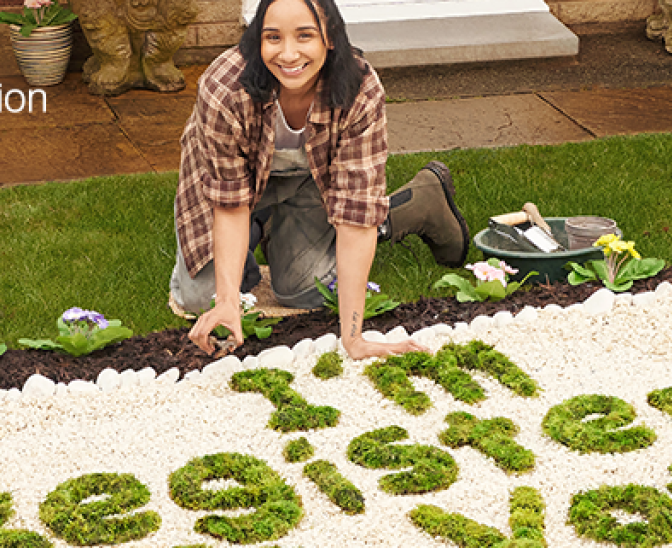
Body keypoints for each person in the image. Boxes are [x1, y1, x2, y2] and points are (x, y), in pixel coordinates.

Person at [169, 0, 470, 360]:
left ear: (329, 37)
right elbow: (230, 203)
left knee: (302, 291)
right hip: (236, 185)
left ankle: (417, 204)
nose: (288, 53)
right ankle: (257, 230)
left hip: (312, 180)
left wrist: (354, 338)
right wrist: (228, 301)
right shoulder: (224, 88)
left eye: (305, 35)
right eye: (273, 37)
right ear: (257, 39)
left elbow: (356, 214)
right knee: (202, 298)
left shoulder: (359, 88)